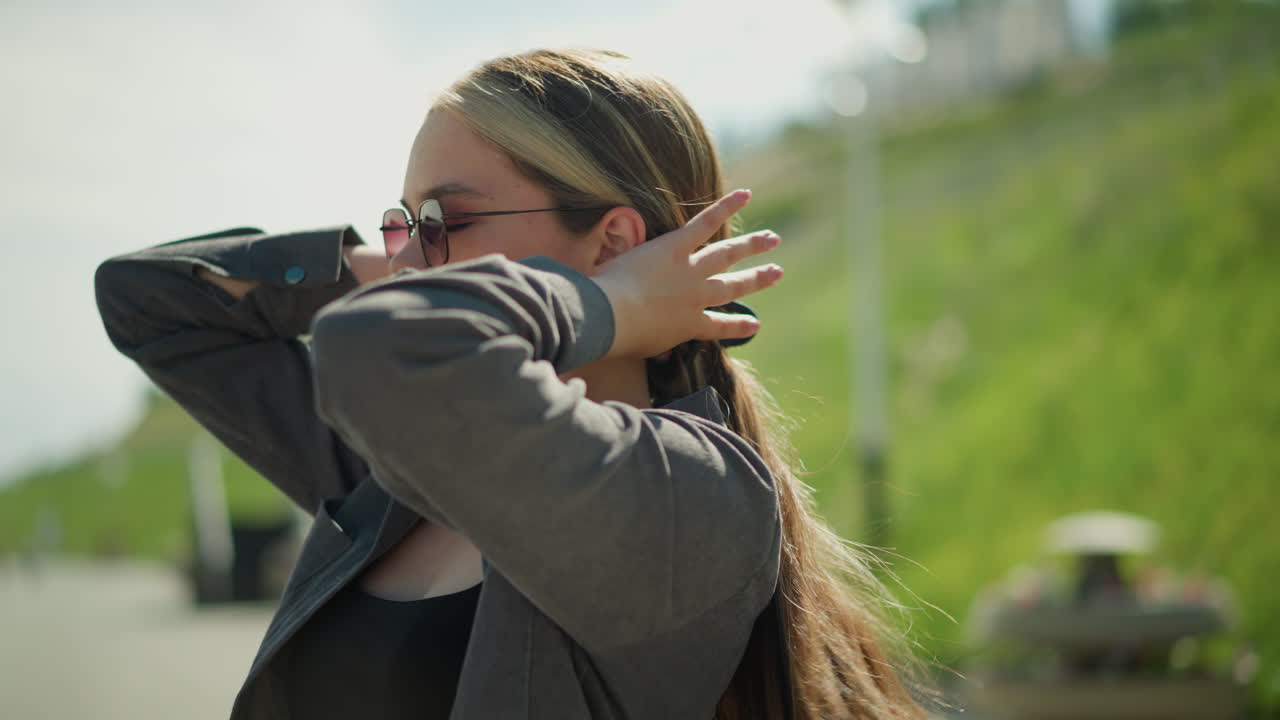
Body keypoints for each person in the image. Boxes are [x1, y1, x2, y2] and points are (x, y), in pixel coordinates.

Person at [95, 49, 924, 719]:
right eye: (407, 223)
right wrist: (408, 253)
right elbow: (146, 300)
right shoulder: (404, 474)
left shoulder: (690, 492)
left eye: (446, 221)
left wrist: (612, 301)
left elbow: (378, 345)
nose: (412, 263)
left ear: (614, 242)